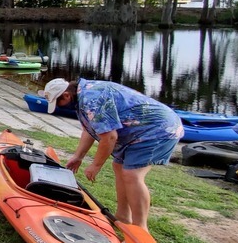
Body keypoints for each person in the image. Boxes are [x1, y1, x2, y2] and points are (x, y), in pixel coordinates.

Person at [40, 77, 183, 231]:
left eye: (58, 102)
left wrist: (96, 165)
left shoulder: (92, 99)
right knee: (118, 166)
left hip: (159, 129)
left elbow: (110, 137)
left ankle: (140, 228)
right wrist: (78, 156)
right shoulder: (83, 96)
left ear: (67, 95)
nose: (58, 107)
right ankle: (123, 218)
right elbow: (90, 130)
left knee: (132, 174)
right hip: (140, 130)